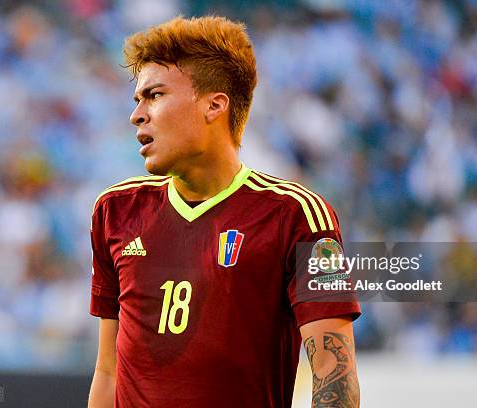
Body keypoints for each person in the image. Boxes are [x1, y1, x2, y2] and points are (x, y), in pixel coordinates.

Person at [87, 15, 361, 408]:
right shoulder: (114, 211)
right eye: (137, 100)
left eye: (155, 95)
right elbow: (108, 371)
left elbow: (334, 379)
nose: (137, 114)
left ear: (214, 105)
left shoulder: (298, 217)